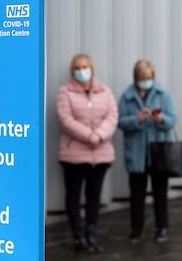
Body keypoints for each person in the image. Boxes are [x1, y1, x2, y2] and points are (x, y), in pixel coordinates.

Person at [56, 54, 118, 252]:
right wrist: (88, 135)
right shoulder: (64, 92)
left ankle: (92, 234)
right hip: (74, 155)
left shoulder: (105, 92)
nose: (82, 71)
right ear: (73, 71)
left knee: (94, 196)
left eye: (85, 67)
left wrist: (99, 135)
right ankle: (78, 236)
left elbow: (112, 117)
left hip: (100, 155)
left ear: (91, 68)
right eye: (78, 68)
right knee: (73, 196)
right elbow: (66, 120)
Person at [118, 59, 177, 243]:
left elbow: (172, 119)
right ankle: (136, 230)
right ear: (136, 77)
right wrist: (137, 118)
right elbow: (119, 121)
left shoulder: (162, 94)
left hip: (158, 151)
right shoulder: (126, 97)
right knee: (137, 195)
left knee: (160, 193)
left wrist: (160, 119)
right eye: (143, 77)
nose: (147, 80)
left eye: (150, 77)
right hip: (136, 153)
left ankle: (162, 227)